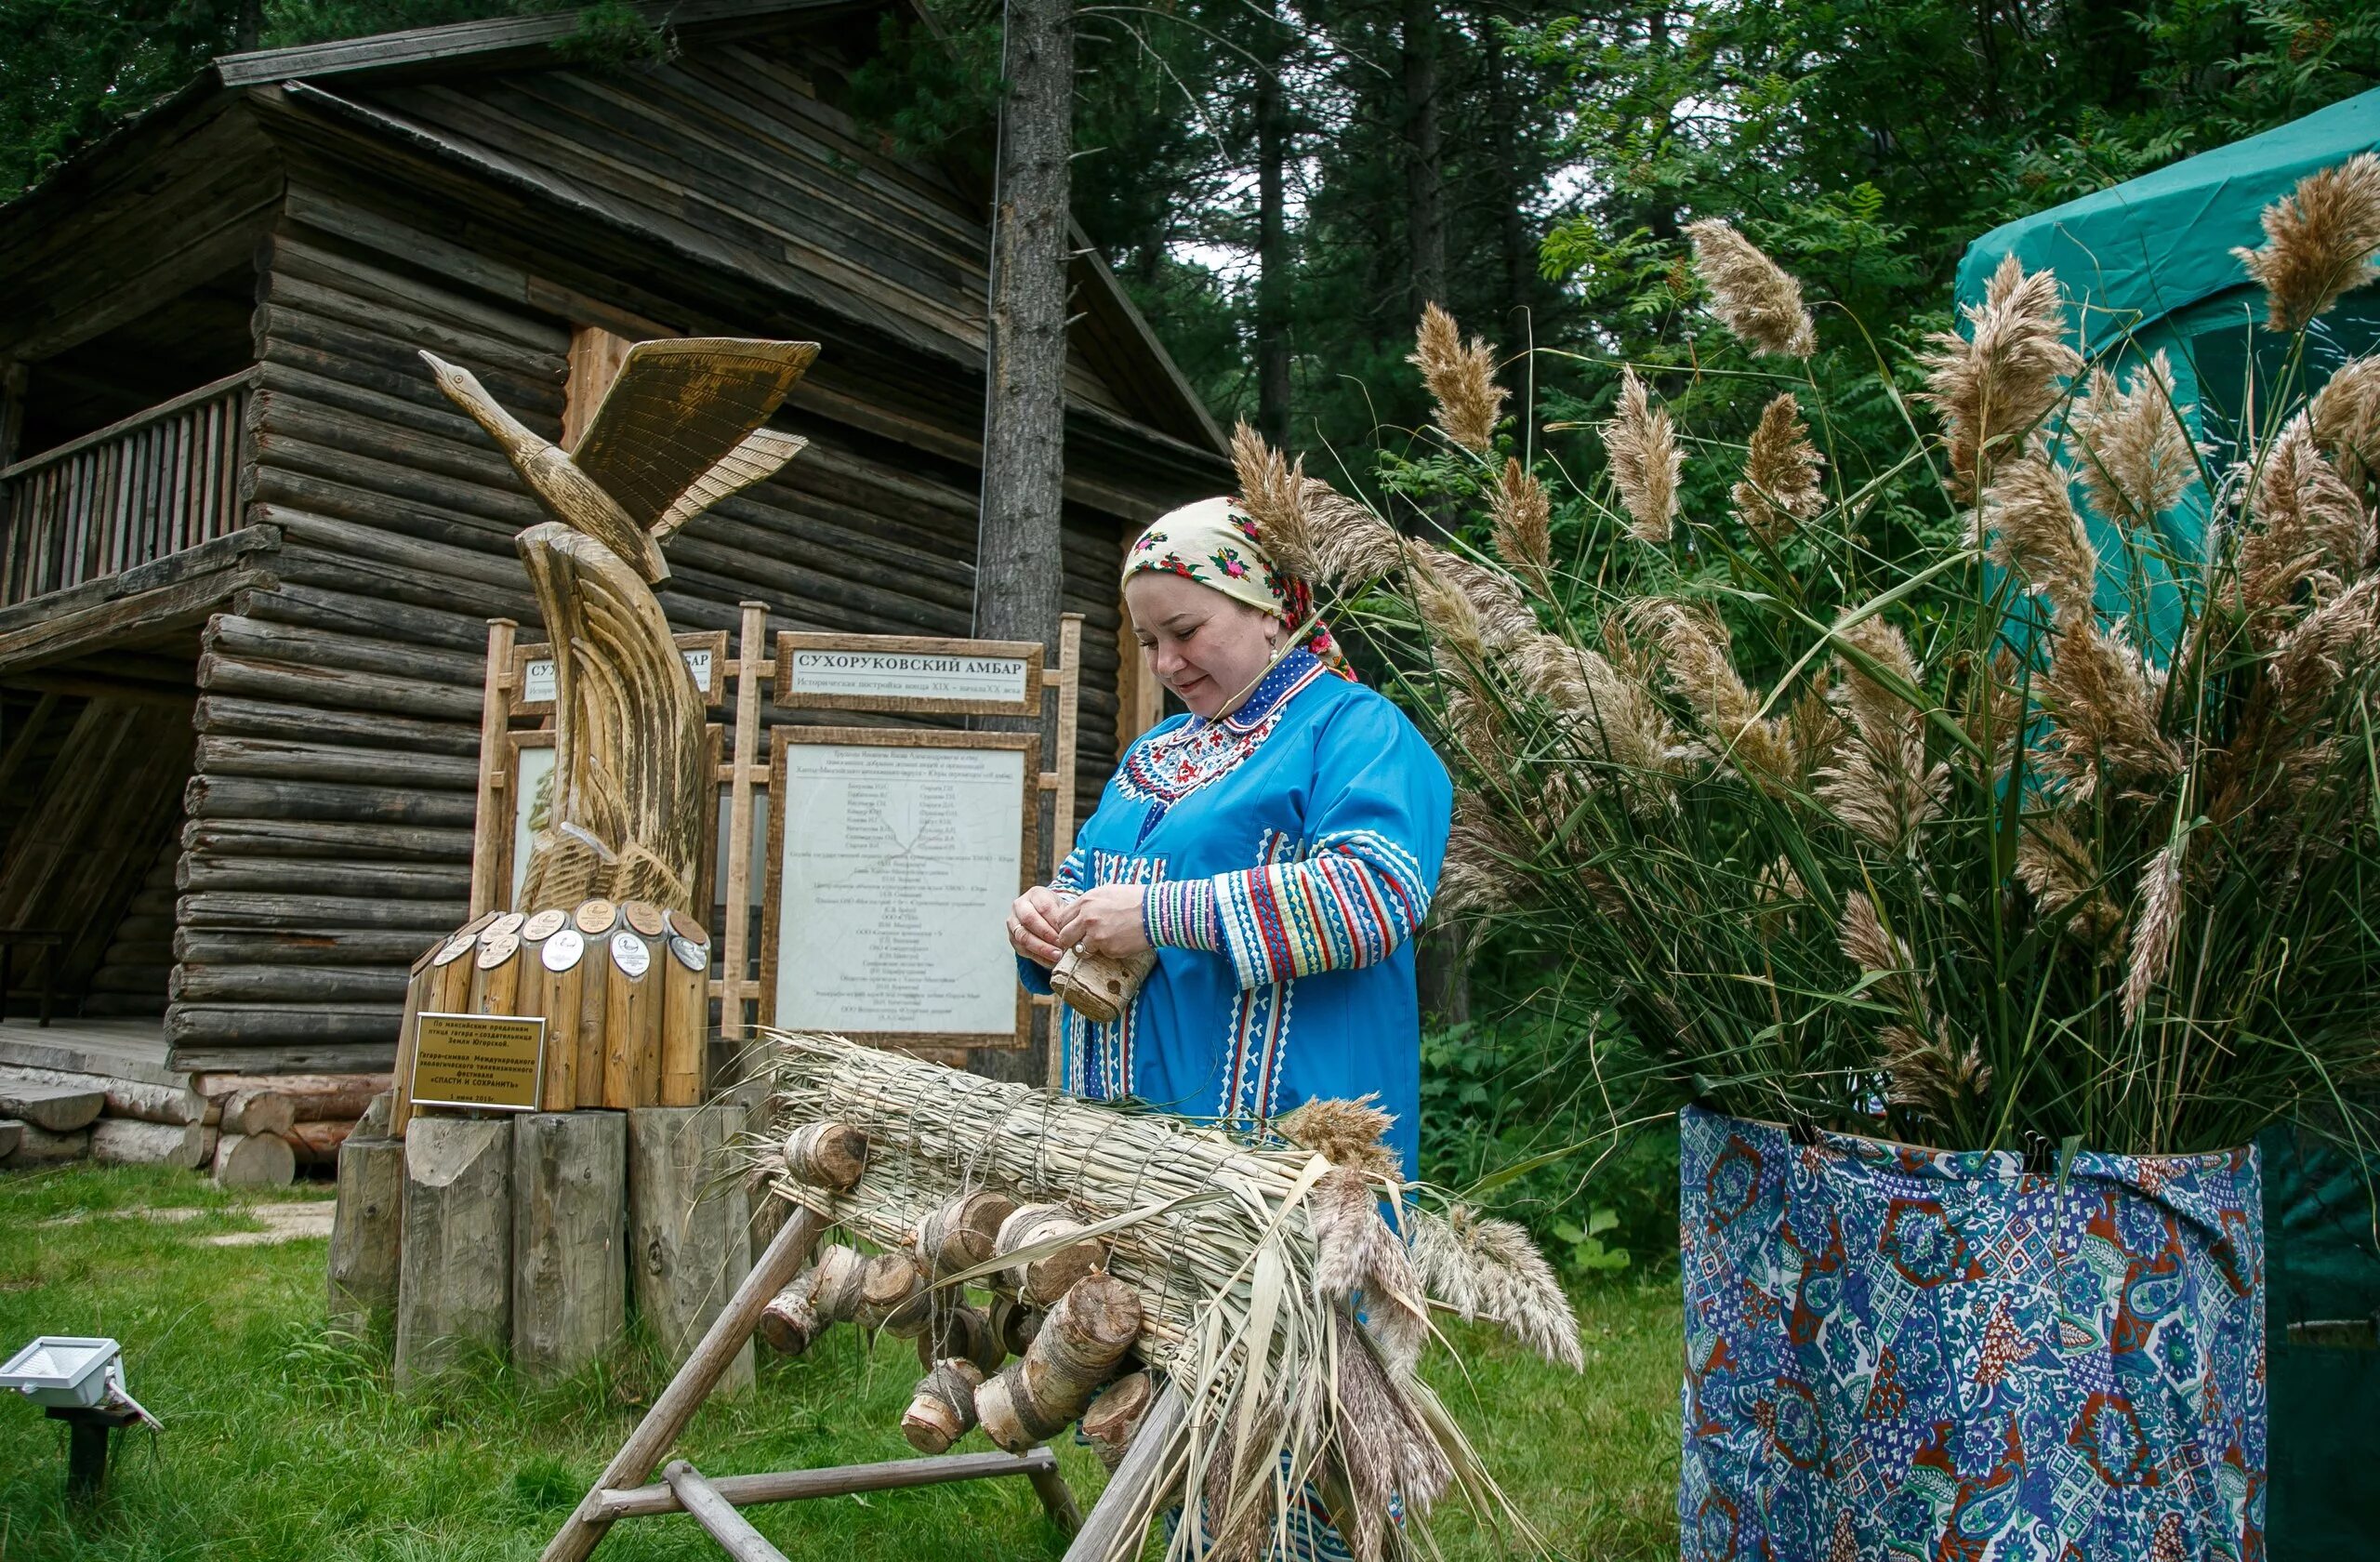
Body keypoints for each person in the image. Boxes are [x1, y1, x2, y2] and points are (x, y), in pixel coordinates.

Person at [1008, 495, 1452, 1179]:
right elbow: (1089, 884)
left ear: (1268, 608)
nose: (1164, 663)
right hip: (1125, 1153)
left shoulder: (1356, 731)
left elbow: (1376, 894)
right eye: (1149, 642)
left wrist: (1157, 917)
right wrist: (1045, 920)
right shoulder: (1151, 754)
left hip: (1285, 1157)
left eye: (1184, 631)